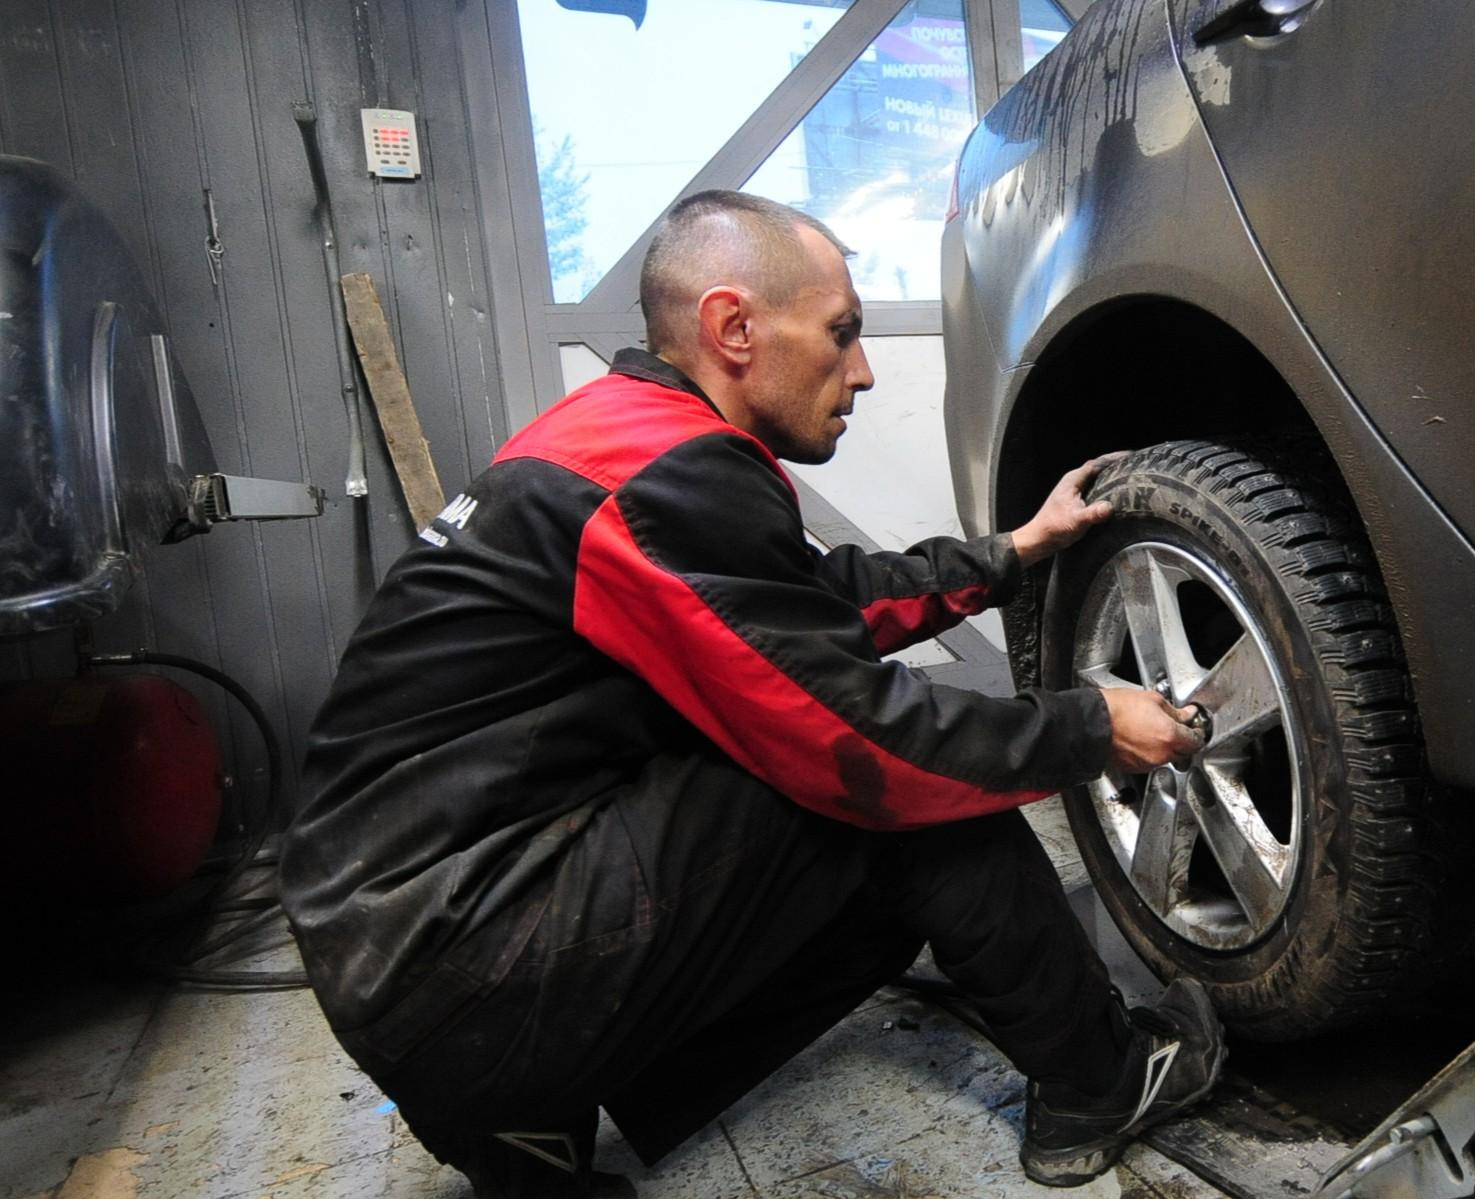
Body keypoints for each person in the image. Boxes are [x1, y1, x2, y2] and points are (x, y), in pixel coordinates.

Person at [278, 190, 1222, 1197]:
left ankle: (531, 1127)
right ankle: (1101, 1080)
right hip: (469, 962)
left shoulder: (615, 440)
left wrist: (1009, 554)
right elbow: (869, 743)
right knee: (901, 784)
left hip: (402, 953)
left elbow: (797, 610)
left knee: (852, 777)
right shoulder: (669, 473)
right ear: (734, 327)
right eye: (841, 332)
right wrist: (1092, 724)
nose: (860, 369)